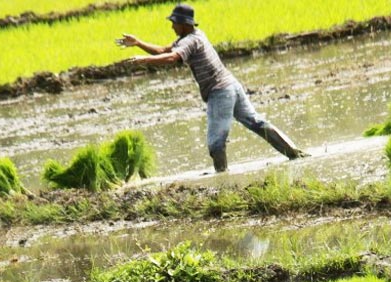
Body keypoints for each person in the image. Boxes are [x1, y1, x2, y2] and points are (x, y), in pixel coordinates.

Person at [117, 3, 309, 172]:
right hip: (232, 85)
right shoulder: (194, 36)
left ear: (184, 24)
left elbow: (172, 58)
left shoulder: (190, 41)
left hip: (220, 92)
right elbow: (164, 50)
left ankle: (222, 178)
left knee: (216, 143)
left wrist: (144, 60)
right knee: (257, 123)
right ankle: (296, 154)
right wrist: (138, 43)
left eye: (174, 22)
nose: (172, 26)